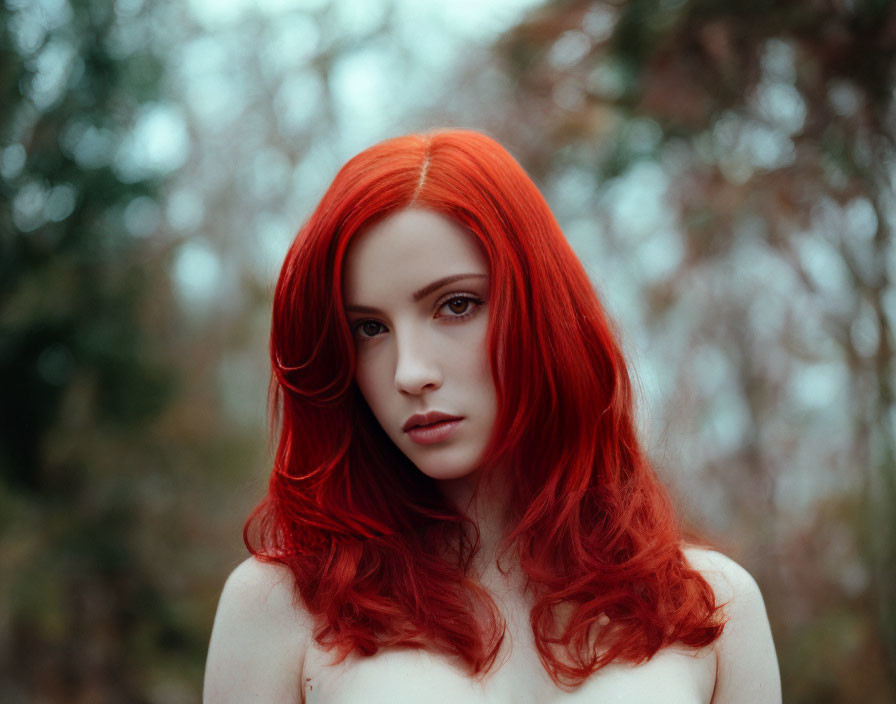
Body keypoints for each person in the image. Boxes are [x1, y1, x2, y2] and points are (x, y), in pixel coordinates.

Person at [203, 129, 781, 703]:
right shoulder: (279, 609)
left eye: (456, 305)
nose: (410, 373)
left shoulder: (711, 608)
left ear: (544, 309)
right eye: (368, 328)